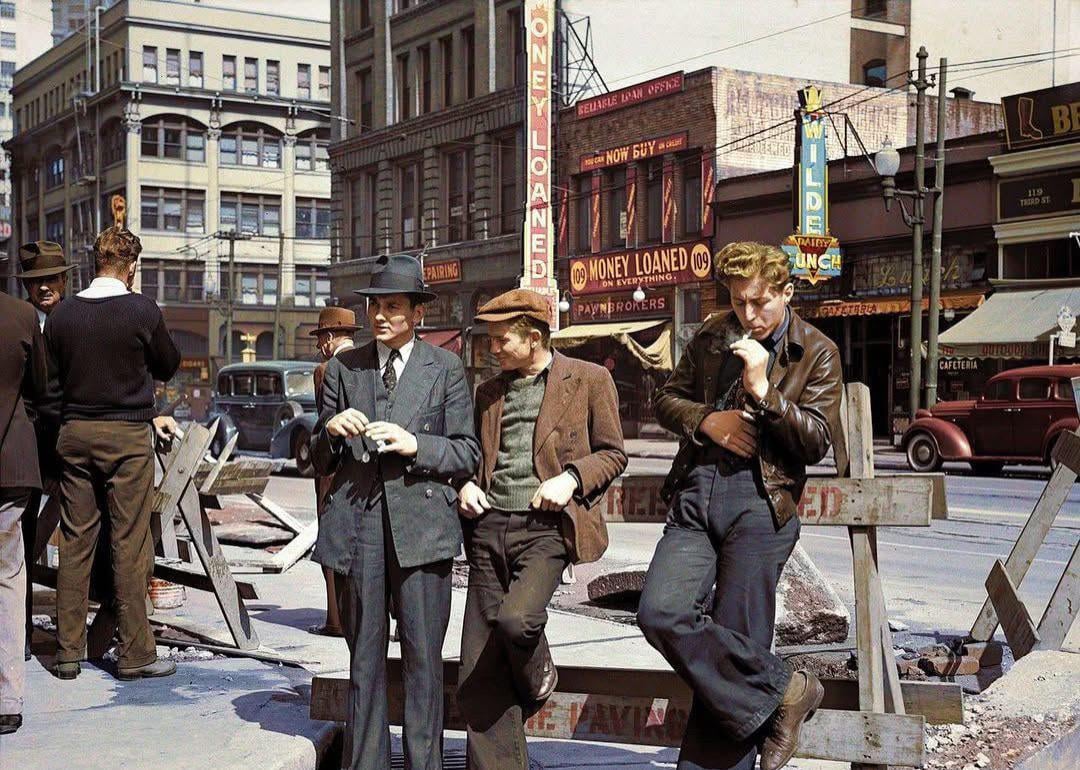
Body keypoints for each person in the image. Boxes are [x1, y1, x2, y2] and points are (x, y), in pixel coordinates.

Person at [636, 241, 845, 770]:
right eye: (737, 301)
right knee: (660, 611)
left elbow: (817, 440)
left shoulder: (816, 351)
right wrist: (708, 421)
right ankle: (787, 690)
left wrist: (763, 392)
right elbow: (667, 398)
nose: (748, 315)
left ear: (786, 291)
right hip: (697, 490)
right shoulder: (712, 334)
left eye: (759, 303)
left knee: (732, 643)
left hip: (762, 501)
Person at [310, 253, 480, 770]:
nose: (380, 316)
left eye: (393, 306)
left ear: (417, 313)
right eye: (375, 306)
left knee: (423, 663)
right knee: (364, 660)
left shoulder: (445, 368)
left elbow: (467, 452)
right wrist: (331, 432)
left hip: (422, 531)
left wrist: (416, 445)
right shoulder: (344, 368)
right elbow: (317, 457)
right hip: (358, 530)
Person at [455, 289, 627, 769]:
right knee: (478, 669)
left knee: (518, 620)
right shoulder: (488, 392)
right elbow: (475, 456)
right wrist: (466, 485)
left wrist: (571, 479)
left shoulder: (589, 379)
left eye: (501, 338)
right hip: (488, 528)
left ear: (534, 338)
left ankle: (538, 674)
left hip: (547, 531)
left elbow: (614, 453)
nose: (493, 348)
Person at [46, 224, 182, 681]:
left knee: (76, 542)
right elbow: (168, 363)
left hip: (75, 433)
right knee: (130, 543)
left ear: (94, 263)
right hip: (126, 437)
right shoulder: (140, 310)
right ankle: (135, 654)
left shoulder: (63, 315)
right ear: (131, 268)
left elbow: (50, 381)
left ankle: (67, 654)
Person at [14, 241, 72, 662]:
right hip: (32, 447)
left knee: (85, 536)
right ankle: (22, 635)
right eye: (36, 282)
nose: (44, 288)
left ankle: (76, 637)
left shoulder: (75, 319)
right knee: (24, 540)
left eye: (50, 280)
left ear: (64, 280)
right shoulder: (20, 322)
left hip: (71, 444)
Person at [0, 290, 47, 735]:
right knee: (10, 578)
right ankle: (8, 697)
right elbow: (42, 387)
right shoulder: (22, 315)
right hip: (13, 463)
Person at [307, 306, 359, 638]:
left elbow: (322, 424)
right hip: (361, 470)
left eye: (319, 339)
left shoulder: (326, 369)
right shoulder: (371, 364)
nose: (318, 347)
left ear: (328, 338)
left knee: (331, 542)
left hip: (331, 467)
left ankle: (336, 619)